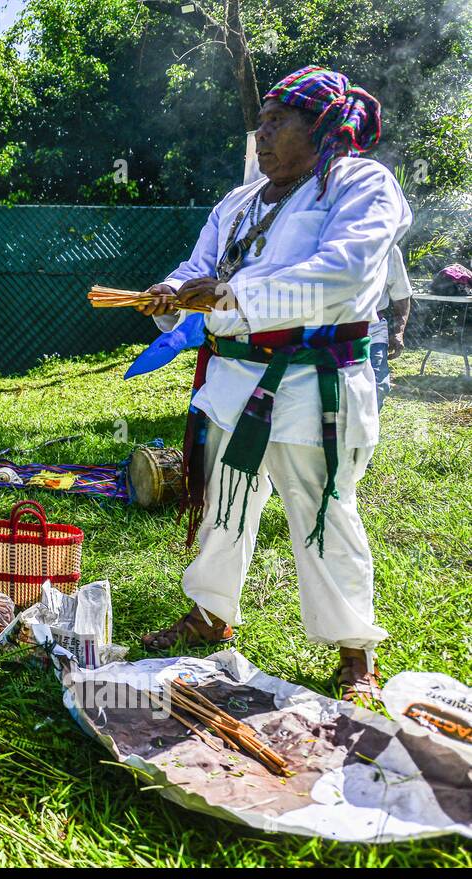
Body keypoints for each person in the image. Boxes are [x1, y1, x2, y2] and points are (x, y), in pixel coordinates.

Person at [135, 66, 411, 704]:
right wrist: (171, 294)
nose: (261, 134)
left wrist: (234, 293)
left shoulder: (360, 184)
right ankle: (210, 611)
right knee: (223, 507)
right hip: (234, 379)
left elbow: (343, 274)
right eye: (260, 122)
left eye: (277, 121)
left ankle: (353, 649)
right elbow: (200, 267)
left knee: (324, 512)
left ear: (321, 126)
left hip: (313, 385)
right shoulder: (239, 201)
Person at [369, 244, 412, 410]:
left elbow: (401, 295)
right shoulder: (327, 239)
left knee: (378, 386)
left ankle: (368, 433)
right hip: (331, 332)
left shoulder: (389, 248)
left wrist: (398, 332)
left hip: (372, 329)